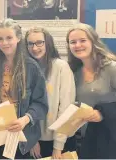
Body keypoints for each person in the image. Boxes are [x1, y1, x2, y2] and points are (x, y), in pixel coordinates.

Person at [0, 18, 49, 159]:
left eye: (9, 38)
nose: (4, 43)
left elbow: (41, 104)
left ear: (19, 38)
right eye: (0, 39)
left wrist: (25, 120)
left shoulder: (31, 67)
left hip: (21, 139)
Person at [66, 23, 116, 158]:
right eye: (73, 42)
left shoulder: (111, 68)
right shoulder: (74, 73)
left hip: (112, 140)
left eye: (82, 40)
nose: (78, 45)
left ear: (93, 42)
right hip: (86, 141)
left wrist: (104, 113)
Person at [24, 27, 76, 159]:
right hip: (34, 140)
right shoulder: (26, 68)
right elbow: (25, 107)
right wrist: (32, 140)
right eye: (30, 44)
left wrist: (58, 147)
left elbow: (65, 109)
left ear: (47, 43)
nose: (35, 48)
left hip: (60, 141)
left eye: (39, 42)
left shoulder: (61, 67)